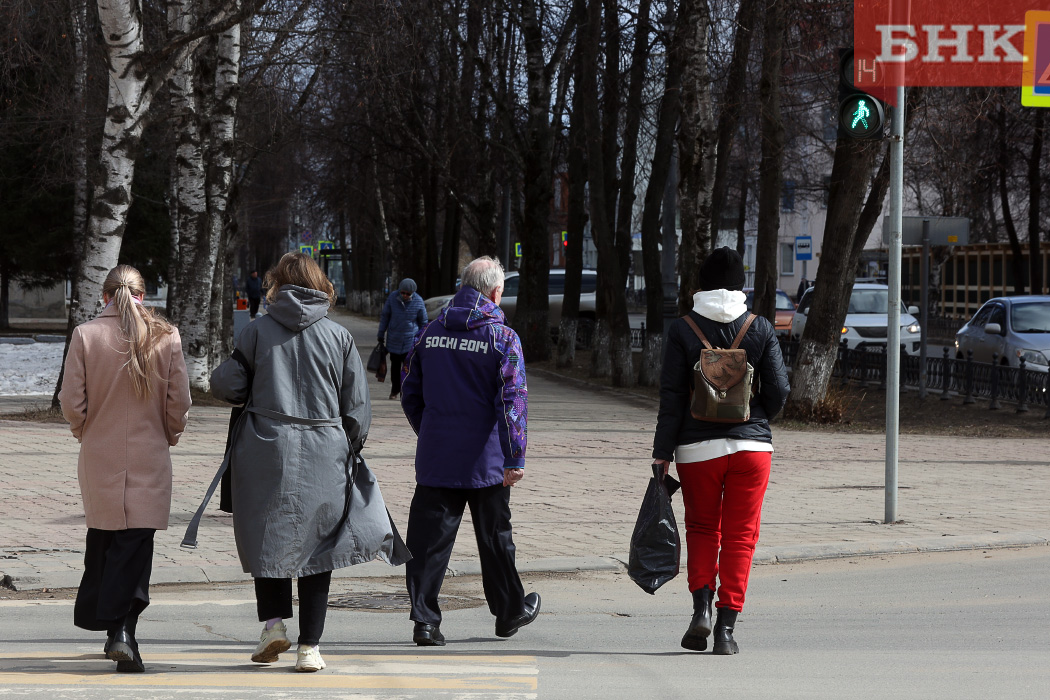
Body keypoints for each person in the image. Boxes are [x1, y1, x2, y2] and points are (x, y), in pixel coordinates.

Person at [210, 252, 408, 672]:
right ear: (321, 284)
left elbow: (228, 385)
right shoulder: (338, 337)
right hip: (325, 448)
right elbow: (357, 409)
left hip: (265, 449)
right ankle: (310, 648)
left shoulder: (257, 330)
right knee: (321, 546)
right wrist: (347, 445)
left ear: (277, 283)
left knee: (269, 538)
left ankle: (275, 625)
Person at [652, 247, 789, 655]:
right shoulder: (759, 326)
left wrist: (662, 452)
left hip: (697, 450)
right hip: (751, 449)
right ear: (739, 282)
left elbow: (672, 397)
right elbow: (780, 389)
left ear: (702, 283)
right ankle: (727, 630)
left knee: (702, 530)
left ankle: (701, 611)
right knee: (740, 537)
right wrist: (758, 418)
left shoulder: (683, 330)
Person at [59, 265, 192, 673]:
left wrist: (86, 431)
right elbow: (179, 403)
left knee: (103, 540)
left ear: (105, 296)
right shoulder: (165, 336)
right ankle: (123, 631)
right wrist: (168, 434)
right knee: (135, 546)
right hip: (149, 455)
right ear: (143, 295)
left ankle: (116, 629)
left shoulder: (86, 335)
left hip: (99, 454)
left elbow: (70, 401)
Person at [399, 256, 538, 647]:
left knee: (427, 543)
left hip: (438, 455)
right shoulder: (502, 338)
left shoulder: (429, 332)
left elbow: (410, 389)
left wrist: (428, 430)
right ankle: (509, 611)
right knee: (495, 539)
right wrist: (515, 456)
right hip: (487, 459)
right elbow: (513, 401)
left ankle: (425, 622)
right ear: (495, 291)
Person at [378, 278, 428, 400]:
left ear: (413, 293)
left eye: (408, 294)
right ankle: (394, 390)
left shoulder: (418, 301)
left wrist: (421, 337)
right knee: (395, 368)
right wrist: (380, 334)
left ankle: (405, 392)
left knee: (408, 369)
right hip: (394, 339)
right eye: (403, 293)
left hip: (410, 340)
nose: (405, 296)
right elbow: (385, 316)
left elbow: (423, 321)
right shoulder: (392, 298)